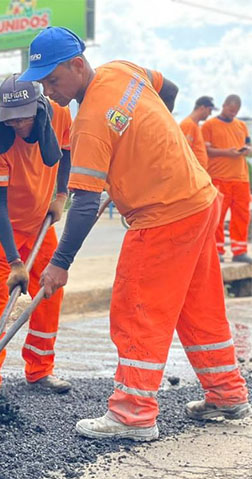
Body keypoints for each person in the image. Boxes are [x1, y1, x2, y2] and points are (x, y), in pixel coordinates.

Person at [20, 26, 250, 441]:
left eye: (53, 80)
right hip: (199, 198)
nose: (48, 90)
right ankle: (227, 392)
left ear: (77, 65)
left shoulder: (88, 123)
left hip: (163, 215)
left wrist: (59, 265)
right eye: (42, 82)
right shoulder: (122, 70)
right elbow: (170, 89)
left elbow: (85, 204)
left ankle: (133, 413)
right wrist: (145, 144)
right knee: (198, 304)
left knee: (136, 307)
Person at [0, 76, 72, 393]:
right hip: (2, 223)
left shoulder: (60, 114)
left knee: (49, 288)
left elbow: (66, 152)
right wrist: (15, 261)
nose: (18, 125)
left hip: (40, 217)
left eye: (24, 117)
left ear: (38, 107)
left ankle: (40, 369)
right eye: (11, 118)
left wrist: (60, 195)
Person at [201, 94, 252, 263]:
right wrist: (226, 153)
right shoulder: (209, 125)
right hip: (219, 177)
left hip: (241, 178)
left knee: (242, 215)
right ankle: (218, 250)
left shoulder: (241, 126)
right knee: (218, 216)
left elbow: (249, 144)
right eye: (230, 110)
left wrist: (246, 150)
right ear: (223, 105)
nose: (232, 114)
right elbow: (205, 150)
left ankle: (239, 250)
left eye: (235, 111)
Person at [180, 96, 216, 170]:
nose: (210, 114)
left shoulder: (195, 125)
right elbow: (184, 151)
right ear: (202, 108)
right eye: (209, 110)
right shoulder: (188, 124)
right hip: (192, 172)